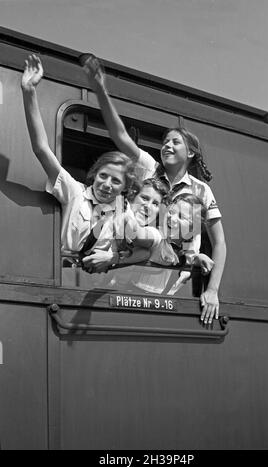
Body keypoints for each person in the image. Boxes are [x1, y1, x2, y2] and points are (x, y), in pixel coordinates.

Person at [82, 55, 226, 324]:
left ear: (192, 153)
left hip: (158, 289)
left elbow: (219, 243)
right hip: (119, 278)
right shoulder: (149, 168)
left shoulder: (202, 191)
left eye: (175, 142)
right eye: (165, 142)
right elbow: (120, 136)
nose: (167, 146)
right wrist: (101, 90)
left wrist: (213, 290)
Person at [21, 54, 141, 273]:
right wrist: (29, 92)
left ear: (125, 188)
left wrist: (112, 257)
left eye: (116, 181)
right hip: (63, 274)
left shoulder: (125, 213)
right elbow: (41, 149)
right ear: (94, 174)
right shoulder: (75, 192)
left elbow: (138, 252)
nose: (106, 184)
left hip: (92, 282)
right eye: (103, 176)